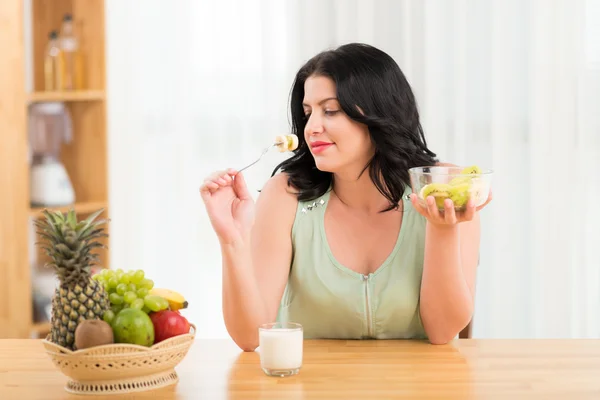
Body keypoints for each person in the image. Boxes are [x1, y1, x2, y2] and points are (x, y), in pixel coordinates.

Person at [200, 43, 492, 351]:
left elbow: (442, 331)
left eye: (330, 111)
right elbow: (250, 336)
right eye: (308, 112)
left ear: (379, 113)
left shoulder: (443, 189)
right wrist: (232, 241)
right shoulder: (284, 196)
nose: (311, 128)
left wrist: (443, 229)